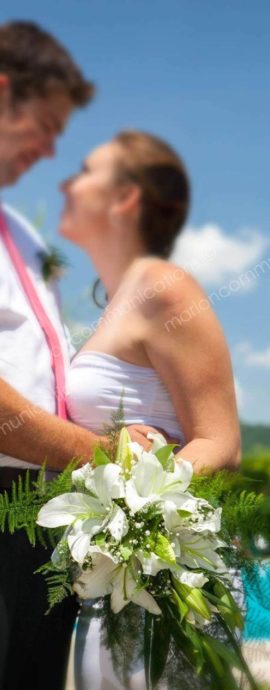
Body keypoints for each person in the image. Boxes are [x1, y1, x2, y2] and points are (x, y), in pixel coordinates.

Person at [0, 24, 156, 690]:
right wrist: (100, 455)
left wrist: (109, 436)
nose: (52, 149)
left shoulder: (26, 236)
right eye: (45, 124)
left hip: (44, 508)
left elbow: (44, 370)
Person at [59, 129, 241, 688]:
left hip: (162, 576)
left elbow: (222, 443)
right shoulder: (117, 304)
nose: (67, 182)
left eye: (86, 169)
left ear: (125, 198)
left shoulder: (163, 286)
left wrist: (136, 487)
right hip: (117, 571)